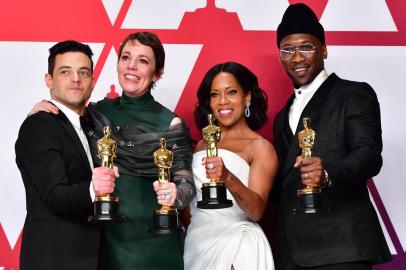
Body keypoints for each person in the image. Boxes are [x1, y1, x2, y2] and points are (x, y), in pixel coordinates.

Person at [29, 32, 195, 269]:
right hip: (104, 239)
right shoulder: (96, 113)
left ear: (157, 73)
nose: (131, 66)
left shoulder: (171, 123)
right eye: (126, 57)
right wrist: (43, 108)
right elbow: (65, 127)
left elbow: (186, 184)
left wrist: (175, 195)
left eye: (143, 61)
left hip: (154, 240)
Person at [272, 3, 392, 270]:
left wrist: (326, 173)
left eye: (306, 47)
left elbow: (369, 156)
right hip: (291, 253)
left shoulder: (353, 94)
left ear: (323, 50)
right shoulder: (282, 116)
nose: (297, 58)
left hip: (342, 248)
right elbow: (282, 183)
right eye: (288, 50)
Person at [15, 40, 117, 270]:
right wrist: (94, 188)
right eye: (65, 72)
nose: (76, 79)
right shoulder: (40, 125)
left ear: (92, 81)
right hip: (56, 260)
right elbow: (55, 196)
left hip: (95, 258)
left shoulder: (91, 125)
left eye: (83, 72)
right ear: (49, 80)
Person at [184, 62, 278, 270]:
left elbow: (256, 211)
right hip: (196, 245)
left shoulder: (260, 147)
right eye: (215, 94)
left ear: (247, 97)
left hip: (238, 244)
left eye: (231, 92)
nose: (222, 101)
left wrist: (227, 177)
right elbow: (188, 208)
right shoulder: (199, 146)